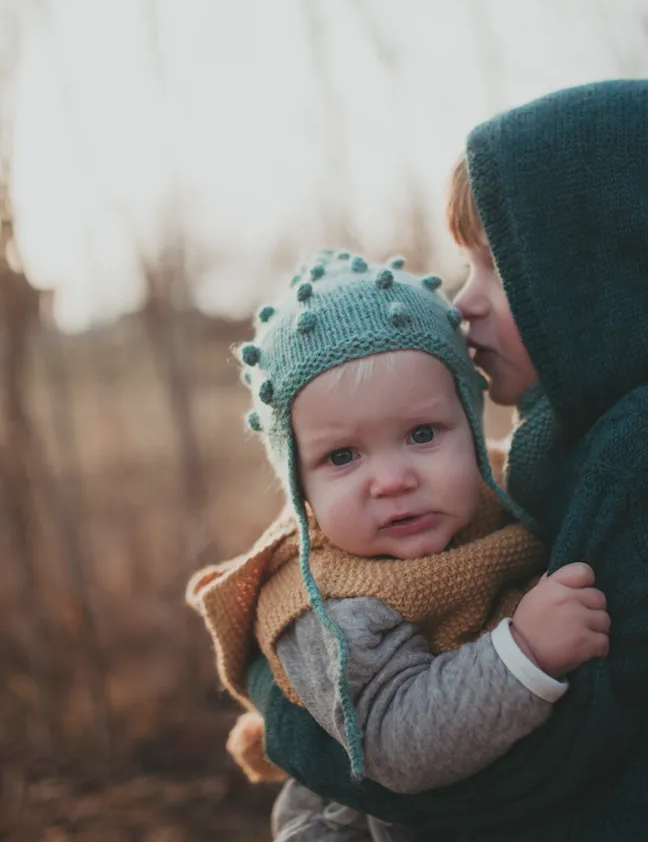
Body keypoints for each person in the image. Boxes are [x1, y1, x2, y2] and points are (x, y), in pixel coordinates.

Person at [247, 78, 648, 841]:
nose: (463, 303)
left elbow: (538, 767)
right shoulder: (588, 421)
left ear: (611, 266)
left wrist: (287, 714)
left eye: (498, 267)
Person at [186, 250, 609, 841]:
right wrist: (524, 651)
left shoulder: (505, 498)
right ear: (298, 484)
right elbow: (395, 741)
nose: (392, 480)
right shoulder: (326, 607)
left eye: (421, 434)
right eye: (341, 456)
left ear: (469, 422)